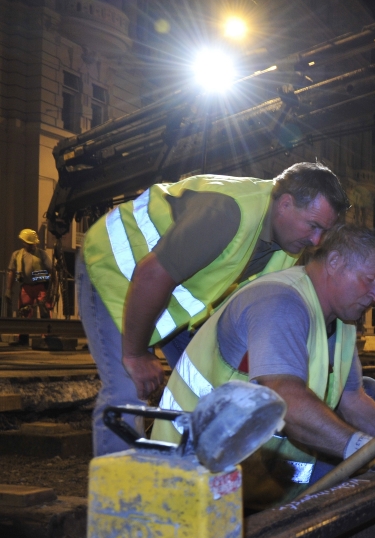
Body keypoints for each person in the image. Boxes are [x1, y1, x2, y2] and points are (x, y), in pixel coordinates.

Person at [153, 226, 375, 508]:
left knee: (369, 389)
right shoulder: (281, 302)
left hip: (255, 463)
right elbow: (286, 399)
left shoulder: (342, 321)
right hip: (200, 465)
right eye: (370, 280)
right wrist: (364, 448)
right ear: (334, 262)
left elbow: (353, 399)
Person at [77, 162, 349, 456]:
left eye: (325, 231)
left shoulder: (286, 247)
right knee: (127, 391)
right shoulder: (228, 213)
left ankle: (187, 478)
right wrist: (136, 353)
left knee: (207, 385)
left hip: (165, 293)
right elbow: (151, 275)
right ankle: (120, 498)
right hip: (113, 272)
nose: (317, 241)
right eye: (313, 226)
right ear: (285, 204)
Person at [7, 228, 53, 319]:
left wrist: (53, 289)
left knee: (45, 310)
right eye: (30, 243)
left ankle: (47, 331)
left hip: (41, 286)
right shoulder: (17, 255)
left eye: (33, 243)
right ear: (23, 242)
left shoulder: (41, 254)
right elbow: (11, 272)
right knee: (24, 311)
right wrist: (8, 289)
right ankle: (24, 331)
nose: (32, 245)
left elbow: (52, 270)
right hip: (26, 287)